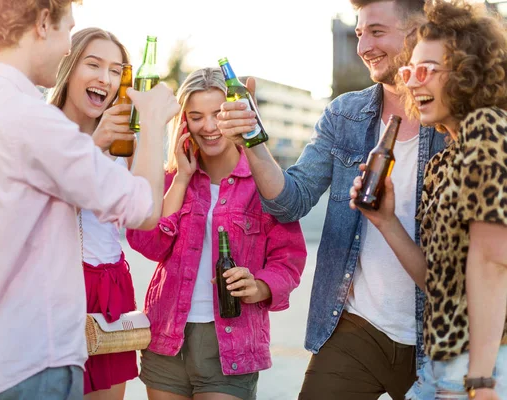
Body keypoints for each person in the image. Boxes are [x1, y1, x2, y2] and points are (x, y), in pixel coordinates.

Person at [0, 1, 179, 398]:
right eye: (67, 31)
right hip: (38, 364)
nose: (65, 48)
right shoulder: (34, 122)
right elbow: (145, 209)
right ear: (43, 22)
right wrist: (150, 121)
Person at [217, 0, 446, 398]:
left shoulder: (456, 119)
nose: (363, 47)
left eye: (376, 31)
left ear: (418, 31)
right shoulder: (345, 114)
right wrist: (251, 141)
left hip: (440, 337)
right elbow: (292, 200)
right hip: (357, 327)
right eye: (359, 34)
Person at [349, 1, 507, 398]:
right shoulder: (441, 163)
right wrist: (385, 220)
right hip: (442, 365)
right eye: (408, 72)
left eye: (426, 71)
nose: (413, 84)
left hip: (484, 366)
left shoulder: (488, 128)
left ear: (468, 71)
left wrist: (482, 379)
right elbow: (437, 283)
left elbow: (493, 261)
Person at [126, 68, 307, 400]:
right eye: (196, 116)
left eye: (218, 115)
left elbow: (289, 259)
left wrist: (261, 285)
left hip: (233, 346)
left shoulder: (263, 183)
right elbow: (148, 243)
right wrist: (181, 178)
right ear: (183, 122)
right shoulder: (172, 180)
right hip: (166, 337)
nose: (208, 127)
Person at [48, 27, 140, 400]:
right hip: (53, 283)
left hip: (110, 285)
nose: (106, 78)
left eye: (116, 70)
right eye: (94, 64)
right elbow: (38, 211)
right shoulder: (42, 128)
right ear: (68, 68)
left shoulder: (126, 143)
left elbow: (145, 221)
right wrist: (93, 146)